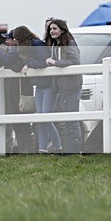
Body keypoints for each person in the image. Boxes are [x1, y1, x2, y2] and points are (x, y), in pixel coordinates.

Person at [0, 30, 36, 153]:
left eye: (8, 39)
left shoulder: (21, 52)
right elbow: (2, 61)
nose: (6, 42)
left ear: (15, 40)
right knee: (16, 123)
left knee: (23, 123)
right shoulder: (11, 52)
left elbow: (8, 61)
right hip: (13, 92)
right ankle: (24, 151)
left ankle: (28, 150)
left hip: (21, 91)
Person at [16, 25, 62, 154]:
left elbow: (43, 62)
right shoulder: (29, 46)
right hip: (40, 85)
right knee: (40, 119)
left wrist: (28, 64)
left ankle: (58, 147)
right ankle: (42, 149)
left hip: (48, 86)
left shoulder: (36, 45)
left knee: (45, 118)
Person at [44, 19, 83, 154]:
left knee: (72, 121)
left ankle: (75, 150)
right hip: (61, 87)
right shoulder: (56, 45)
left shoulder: (69, 44)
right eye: (50, 29)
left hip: (71, 86)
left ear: (62, 30)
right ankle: (70, 150)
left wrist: (55, 62)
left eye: (54, 28)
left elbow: (74, 61)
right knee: (66, 122)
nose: (51, 31)